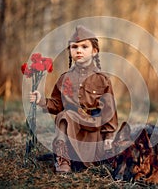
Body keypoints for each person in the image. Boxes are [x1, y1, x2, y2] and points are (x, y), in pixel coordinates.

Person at [30, 25, 118, 173]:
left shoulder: (102, 80)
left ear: (94, 51)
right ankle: (63, 159)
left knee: (103, 161)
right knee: (64, 115)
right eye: (74, 47)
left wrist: (109, 136)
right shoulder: (64, 78)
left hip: (93, 132)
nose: (78, 50)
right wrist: (41, 101)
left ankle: (83, 160)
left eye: (84, 47)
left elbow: (109, 112)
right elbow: (57, 104)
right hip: (72, 129)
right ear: (70, 51)